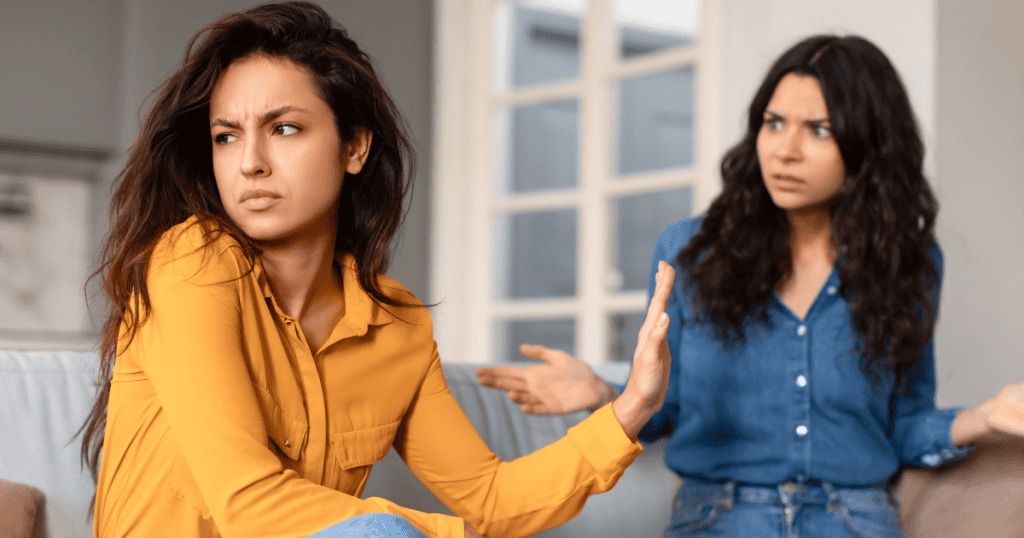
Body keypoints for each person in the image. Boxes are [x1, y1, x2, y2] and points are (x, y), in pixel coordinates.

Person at [77, 3, 678, 538]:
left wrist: (634, 406)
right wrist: (441, 534)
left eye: (284, 129)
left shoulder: (397, 326)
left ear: (354, 148)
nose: (250, 163)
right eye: (227, 137)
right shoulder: (192, 261)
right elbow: (245, 501)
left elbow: (494, 500)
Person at [477, 34, 1024, 537]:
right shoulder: (691, 252)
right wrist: (603, 393)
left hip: (854, 521)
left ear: (868, 147)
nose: (784, 151)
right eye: (774, 122)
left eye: (820, 130)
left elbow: (901, 427)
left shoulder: (910, 262)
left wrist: (984, 415)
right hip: (718, 517)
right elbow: (668, 411)